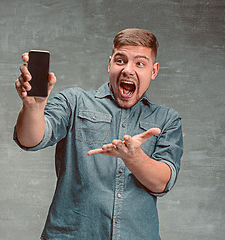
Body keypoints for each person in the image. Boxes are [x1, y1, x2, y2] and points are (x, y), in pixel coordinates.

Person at [14, 28, 183, 240]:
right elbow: (31, 139)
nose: (128, 70)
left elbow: (162, 182)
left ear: (154, 71)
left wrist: (134, 157)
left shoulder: (166, 120)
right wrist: (33, 106)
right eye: (121, 61)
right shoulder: (74, 102)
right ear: (109, 63)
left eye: (140, 63)